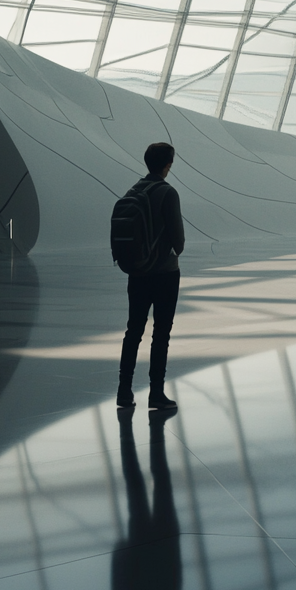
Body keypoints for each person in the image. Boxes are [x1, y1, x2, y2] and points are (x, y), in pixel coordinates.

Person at [116, 142, 185, 410]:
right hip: (165, 272)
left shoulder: (134, 190)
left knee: (133, 330)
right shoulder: (168, 193)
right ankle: (156, 392)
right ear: (168, 165)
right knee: (161, 333)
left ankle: (124, 390)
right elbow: (178, 243)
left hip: (137, 271)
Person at [112, 409, 183, 590]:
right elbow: (120, 585)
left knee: (157, 482)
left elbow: (174, 574)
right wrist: (121, 551)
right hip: (145, 544)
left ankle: (150, 426)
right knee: (137, 484)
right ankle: (128, 425)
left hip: (158, 541)